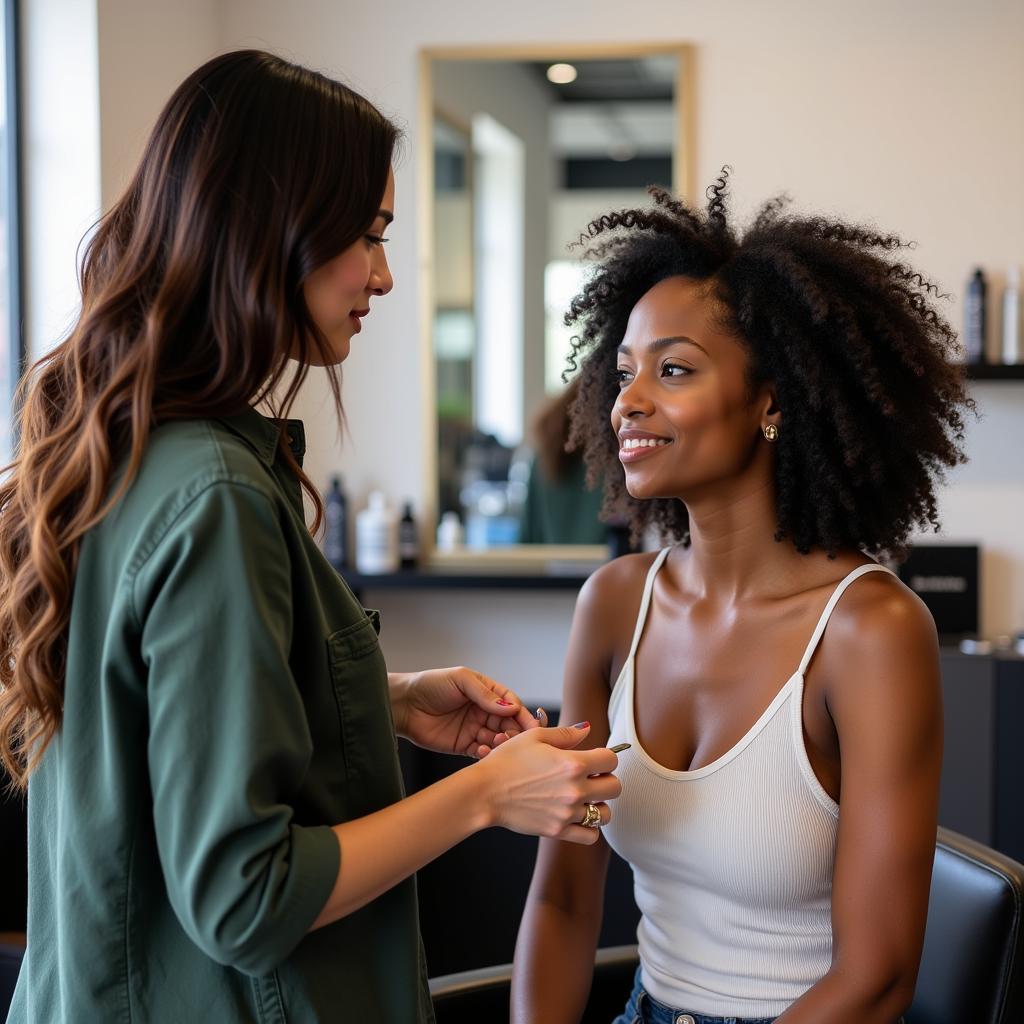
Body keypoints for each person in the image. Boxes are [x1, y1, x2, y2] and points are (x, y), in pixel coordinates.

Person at [0, 51, 624, 1024]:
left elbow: (163, 723)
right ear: (266, 227)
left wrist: (395, 701)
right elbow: (246, 898)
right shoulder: (216, 496)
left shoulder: (128, 453)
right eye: (366, 236)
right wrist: (484, 797)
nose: (380, 273)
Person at [512, 171, 973, 1023]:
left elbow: (875, 980)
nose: (629, 403)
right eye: (624, 373)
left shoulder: (869, 631)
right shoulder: (614, 606)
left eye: (674, 369)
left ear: (770, 401)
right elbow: (564, 901)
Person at [518, 378, 607, 546]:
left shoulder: (543, 456)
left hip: (549, 570)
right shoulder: (615, 460)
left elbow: (527, 537)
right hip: (608, 568)